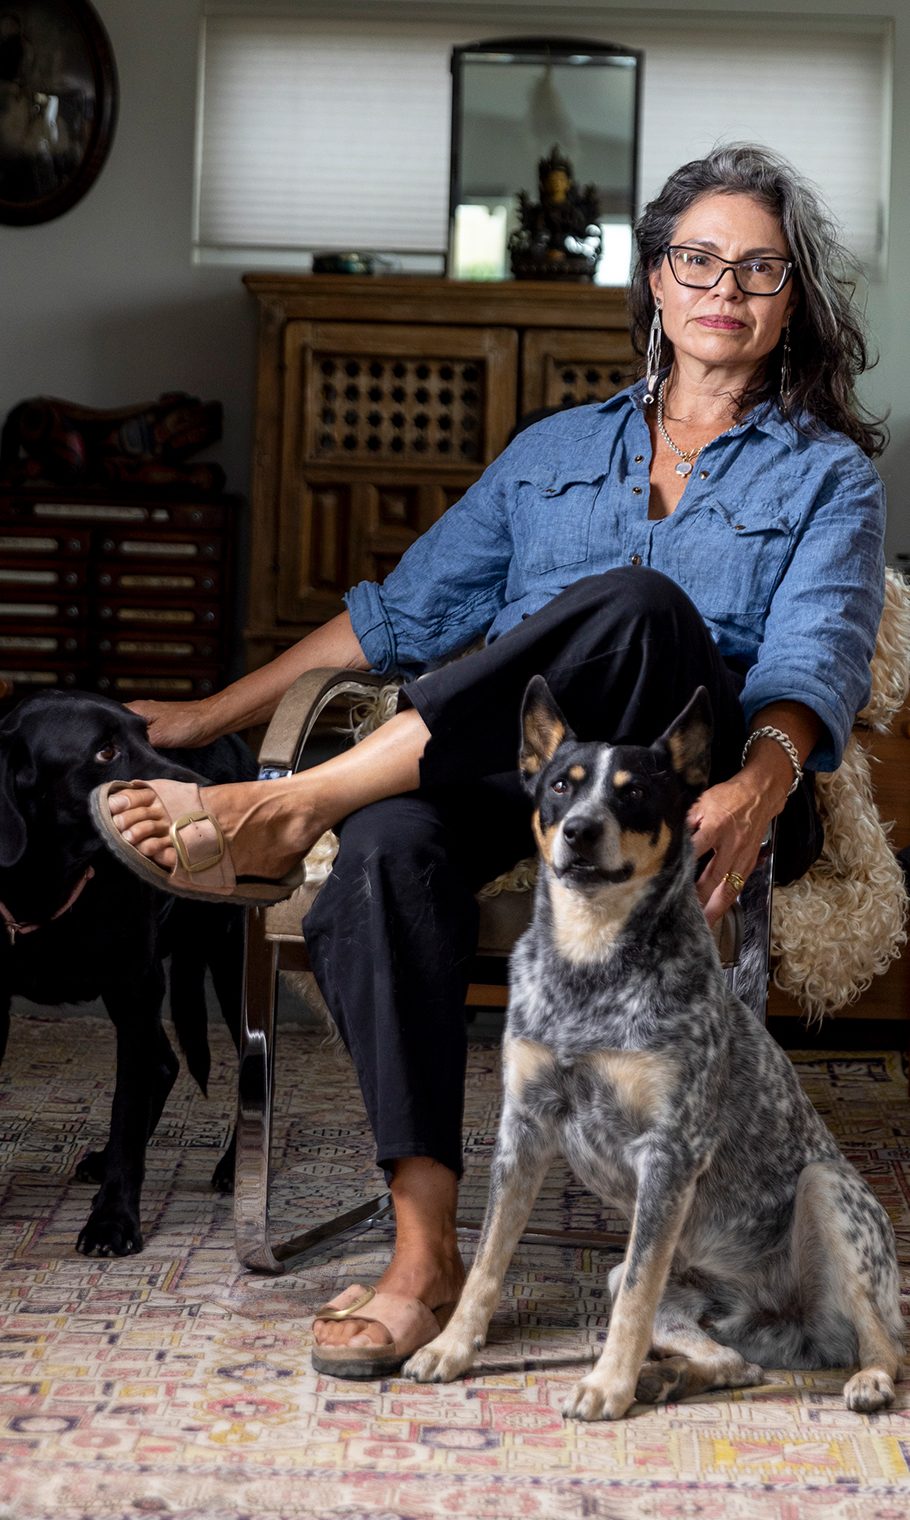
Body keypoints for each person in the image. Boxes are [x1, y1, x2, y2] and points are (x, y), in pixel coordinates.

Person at [93, 145, 886, 1376]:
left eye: (759, 266)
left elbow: (815, 663)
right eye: (697, 258)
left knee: (635, 602)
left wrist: (768, 775)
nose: (724, 284)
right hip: (523, 774)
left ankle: (289, 800)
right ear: (657, 283)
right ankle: (424, 1250)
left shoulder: (827, 474)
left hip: (689, 782)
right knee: (385, 847)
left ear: (791, 302)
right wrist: (204, 712)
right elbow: (396, 617)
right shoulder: (550, 450)